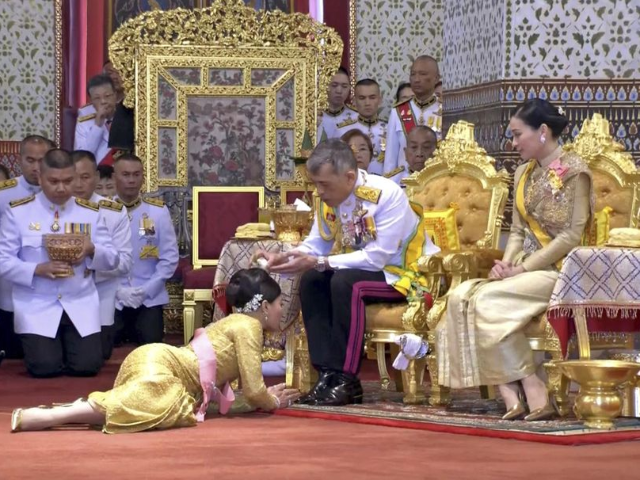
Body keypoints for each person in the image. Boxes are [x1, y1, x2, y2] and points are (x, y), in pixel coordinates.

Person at [436, 99, 593, 421]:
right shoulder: (523, 172)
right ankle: (511, 392)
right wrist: (505, 265)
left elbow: (571, 236)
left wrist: (521, 268)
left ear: (543, 132)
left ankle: (530, 384)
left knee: (487, 301)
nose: (513, 142)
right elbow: (519, 232)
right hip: (523, 267)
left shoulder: (577, 172)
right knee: (458, 296)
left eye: (518, 134)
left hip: (563, 271)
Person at [256, 140, 439, 406]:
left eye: (324, 184)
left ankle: (346, 379)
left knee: (344, 283)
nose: (318, 191)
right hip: (362, 269)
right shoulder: (330, 198)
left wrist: (321, 261)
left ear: (349, 176)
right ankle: (326, 375)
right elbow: (317, 243)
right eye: (315, 183)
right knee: (312, 280)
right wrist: (288, 255)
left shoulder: (386, 195)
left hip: (402, 274)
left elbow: (378, 258)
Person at [11, 268, 301, 433]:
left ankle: (52, 414)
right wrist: (272, 401)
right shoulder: (249, 328)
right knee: (162, 408)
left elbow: (224, 401)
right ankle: (55, 415)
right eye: (278, 305)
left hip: (159, 360)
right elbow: (252, 389)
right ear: (264, 306)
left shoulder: (232, 322)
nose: (280, 310)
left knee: (140, 408)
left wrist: (256, 399)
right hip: (163, 368)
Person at [0, 149, 120, 377]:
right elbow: (3, 261)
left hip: (80, 301)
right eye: (54, 181)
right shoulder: (18, 213)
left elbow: (113, 258)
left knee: (87, 367)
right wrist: (37, 269)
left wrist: (91, 249)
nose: (61, 188)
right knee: (44, 368)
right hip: (37, 303)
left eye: (67, 180)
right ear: (41, 178)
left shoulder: (90, 213)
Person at [71, 150, 133, 359]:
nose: (78, 184)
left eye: (85, 177)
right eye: (73, 177)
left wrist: (88, 268)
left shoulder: (113, 212)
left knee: (94, 360)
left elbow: (124, 262)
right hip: (58, 298)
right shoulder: (53, 210)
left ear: (96, 177)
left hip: (99, 299)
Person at [112, 153, 179, 346]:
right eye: (125, 174)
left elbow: (169, 258)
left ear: (143, 177)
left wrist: (147, 290)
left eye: (136, 174)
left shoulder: (158, 212)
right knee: (105, 346)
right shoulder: (102, 211)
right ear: (115, 177)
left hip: (149, 295)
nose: (131, 180)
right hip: (113, 296)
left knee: (151, 342)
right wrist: (118, 291)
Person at [0, 135, 55, 360]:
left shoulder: (62, 192)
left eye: (42, 160)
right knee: (13, 353)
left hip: (52, 282)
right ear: (20, 160)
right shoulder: (4, 193)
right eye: (30, 160)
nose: (36, 167)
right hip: (11, 282)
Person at [384, 56, 442, 184]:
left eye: (423, 74)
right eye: (413, 74)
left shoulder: (445, 110)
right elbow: (390, 158)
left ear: (436, 78)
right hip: (404, 183)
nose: (416, 79)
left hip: (436, 182)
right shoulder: (398, 111)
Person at [334, 79, 387, 175]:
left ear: (380, 100)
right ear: (354, 101)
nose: (367, 103)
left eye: (372, 97)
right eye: (362, 98)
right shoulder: (342, 130)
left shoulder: (389, 128)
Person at [74, 74, 119, 165]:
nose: (103, 101)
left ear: (115, 95)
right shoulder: (84, 124)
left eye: (107, 96)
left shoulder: (127, 117)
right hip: (97, 173)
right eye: (97, 98)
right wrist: (97, 126)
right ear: (91, 101)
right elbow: (82, 158)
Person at [317, 67, 357, 142]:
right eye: (334, 85)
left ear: (350, 88)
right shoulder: (314, 116)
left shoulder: (356, 118)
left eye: (344, 86)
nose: (339, 91)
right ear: (324, 86)